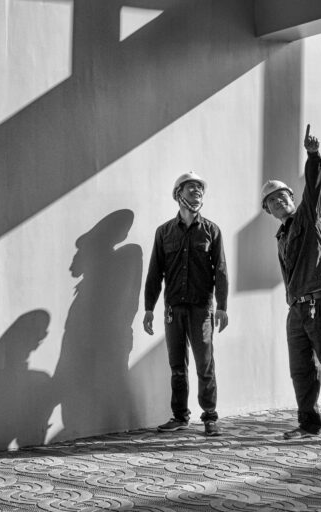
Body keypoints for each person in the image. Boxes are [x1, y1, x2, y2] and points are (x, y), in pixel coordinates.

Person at [260, 125, 321, 446]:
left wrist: (313, 156)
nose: (278, 203)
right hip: (297, 308)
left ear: (292, 197)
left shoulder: (308, 216)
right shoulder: (281, 236)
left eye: (282, 197)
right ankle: (308, 424)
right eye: (272, 202)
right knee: (301, 370)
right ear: (269, 212)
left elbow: (313, 188)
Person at [143, 171, 229, 437]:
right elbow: (155, 272)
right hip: (173, 309)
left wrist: (222, 306)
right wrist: (148, 308)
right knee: (177, 366)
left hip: (202, 309)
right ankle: (180, 416)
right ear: (178, 194)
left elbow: (221, 271)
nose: (197, 191)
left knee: (205, 364)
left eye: (200, 188)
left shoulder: (211, 231)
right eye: (191, 188)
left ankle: (210, 417)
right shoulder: (164, 232)